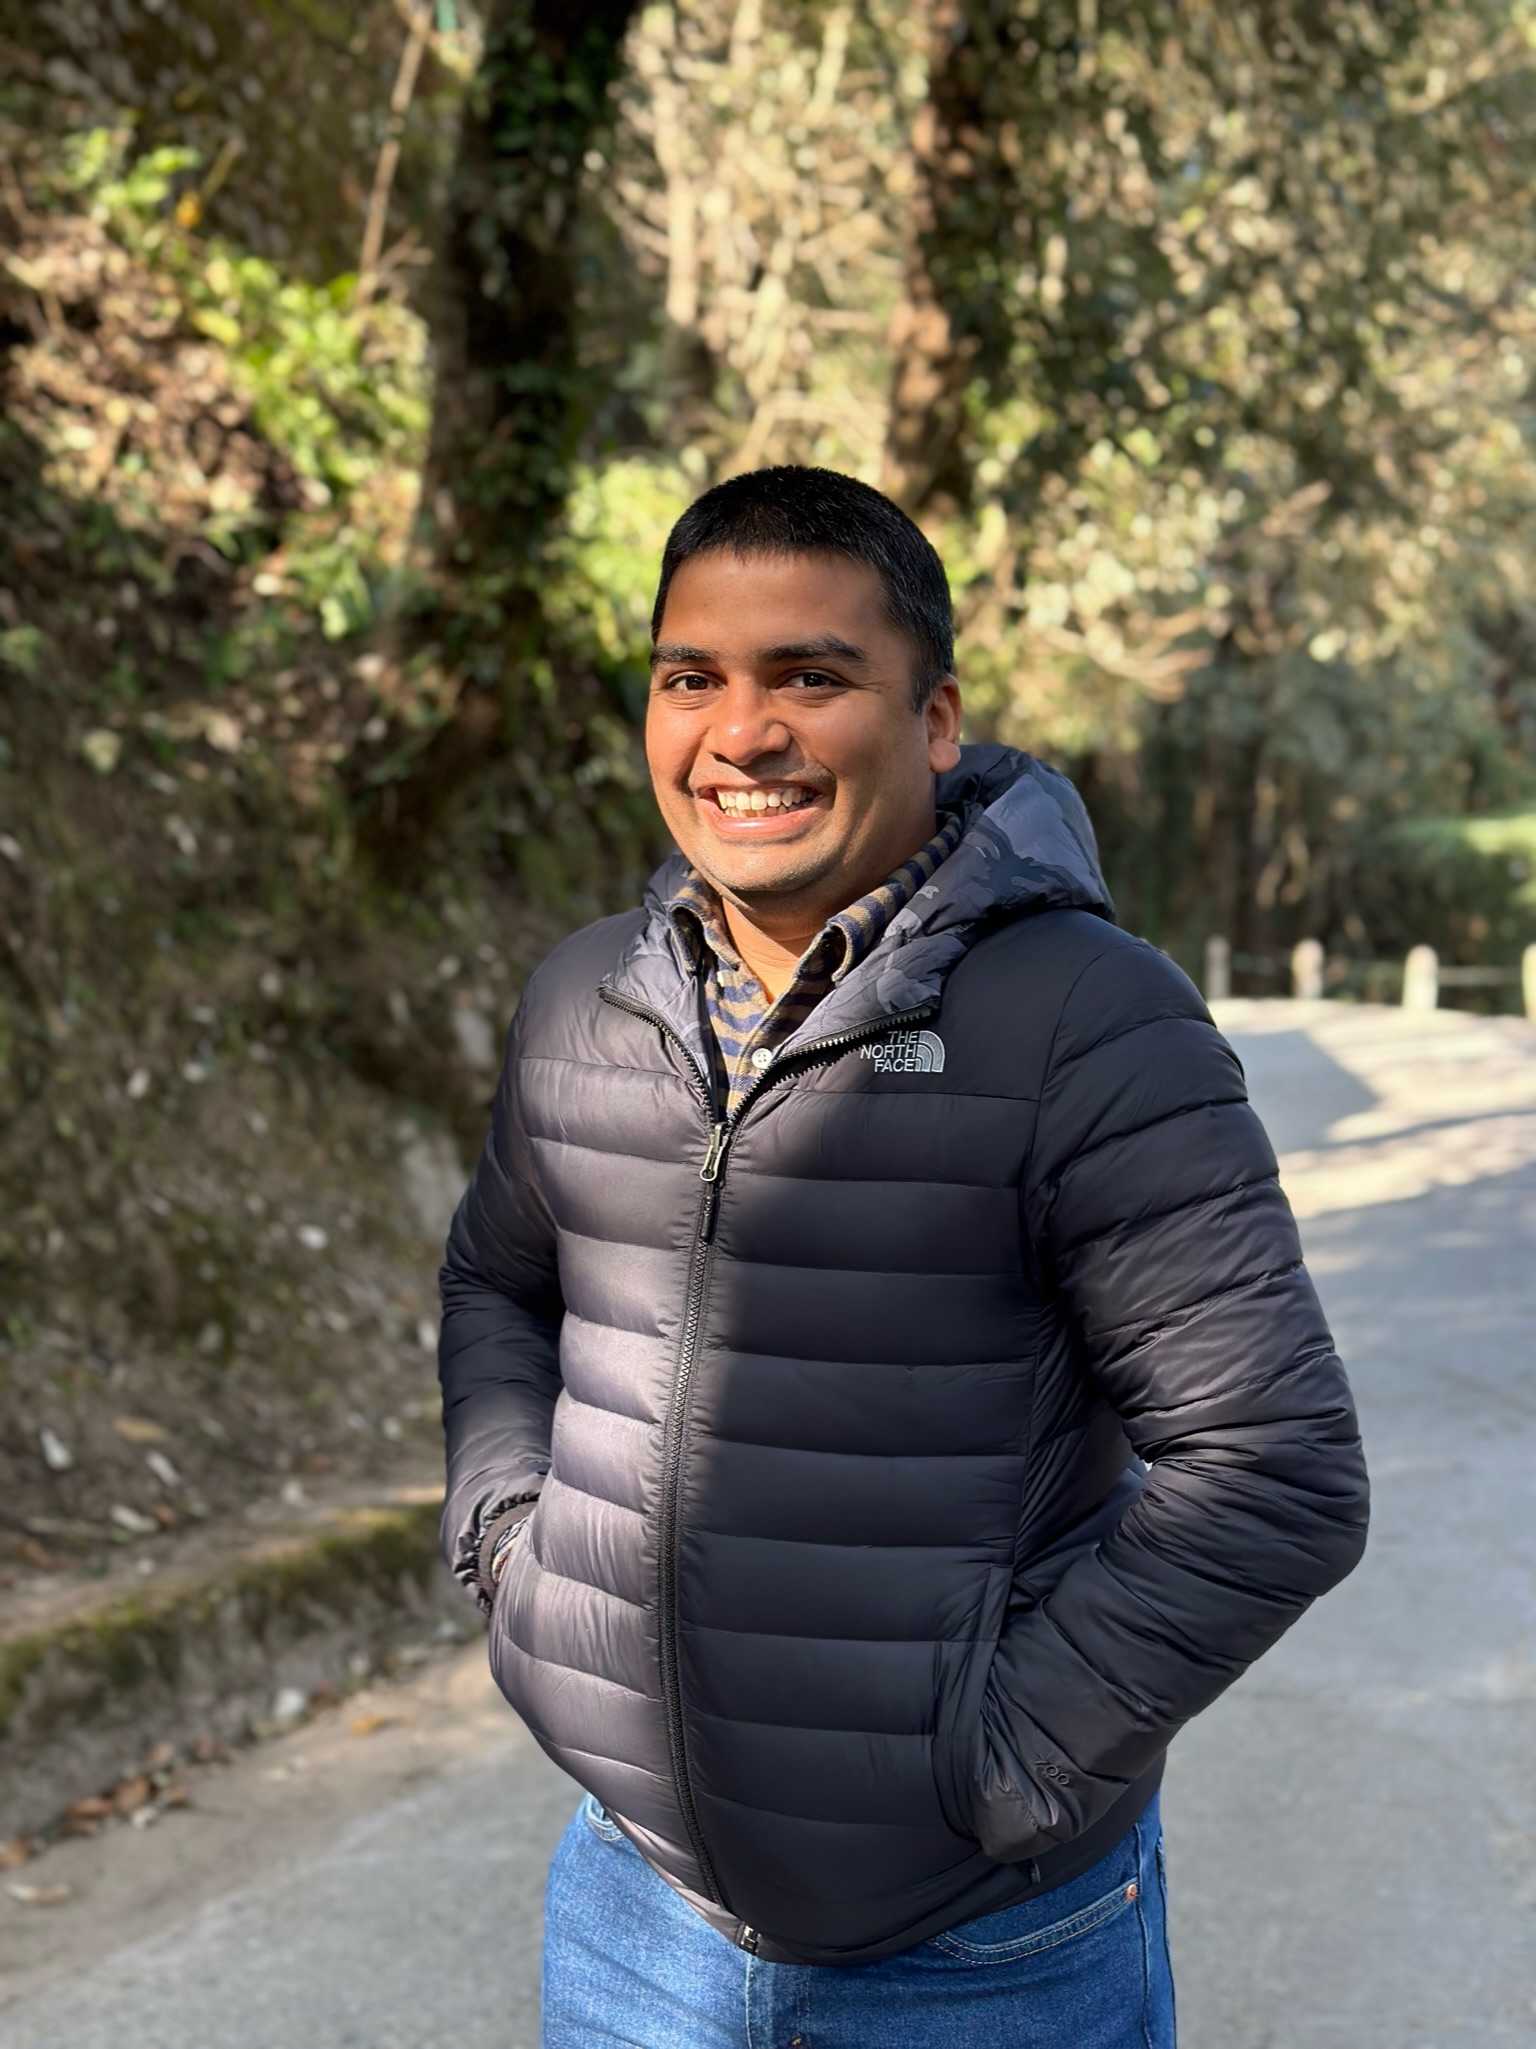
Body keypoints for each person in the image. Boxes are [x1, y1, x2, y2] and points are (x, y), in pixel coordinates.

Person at [437, 466, 1369, 2047]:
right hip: (636, 1920)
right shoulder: (582, 1003)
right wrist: (518, 1562)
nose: (742, 732)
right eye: (693, 680)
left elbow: (1274, 1466)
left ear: (936, 720)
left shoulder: (1088, 1016)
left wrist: (998, 1758)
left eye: (811, 674)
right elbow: (500, 1283)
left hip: (981, 1953)